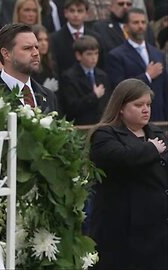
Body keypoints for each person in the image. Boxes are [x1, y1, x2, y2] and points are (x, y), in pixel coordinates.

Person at [89, 78, 168, 269]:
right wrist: (151, 150)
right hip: (123, 231)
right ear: (121, 107)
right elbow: (121, 159)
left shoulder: (156, 132)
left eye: (148, 104)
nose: (146, 109)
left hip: (157, 230)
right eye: (138, 104)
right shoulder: (105, 135)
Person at [106, 8, 167, 121]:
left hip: (159, 118)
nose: (140, 26)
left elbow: (165, 89)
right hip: (132, 120)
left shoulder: (158, 54)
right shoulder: (116, 56)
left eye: (143, 22)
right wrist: (147, 76)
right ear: (126, 27)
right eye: (136, 22)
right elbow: (119, 88)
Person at [0, 23, 58, 113]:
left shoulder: (49, 96)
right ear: (6, 54)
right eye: (27, 48)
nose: (36, 53)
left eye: (36, 47)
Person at [58, 35, 111, 125]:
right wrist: (94, 96)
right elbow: (71, 107)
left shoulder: (102, 75)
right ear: (78, 55)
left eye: (96, 53)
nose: (94, 58)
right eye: (89, 54)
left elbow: (107, 103)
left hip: (101, 124)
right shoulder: (69, 77)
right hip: (81, 125)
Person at [50, 0, 103, 77]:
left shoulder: (96, 37)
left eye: (80, 11)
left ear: (87, 14)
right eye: (72, 11)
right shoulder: (54, 39)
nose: (76, 15)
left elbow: (101, 65)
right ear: (65, 13)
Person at [31, 25, 59, 92]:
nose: (44, 43)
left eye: (46, 40)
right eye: (39, 40)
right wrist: (43, 90)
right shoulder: (28, 67)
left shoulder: (51, 65)